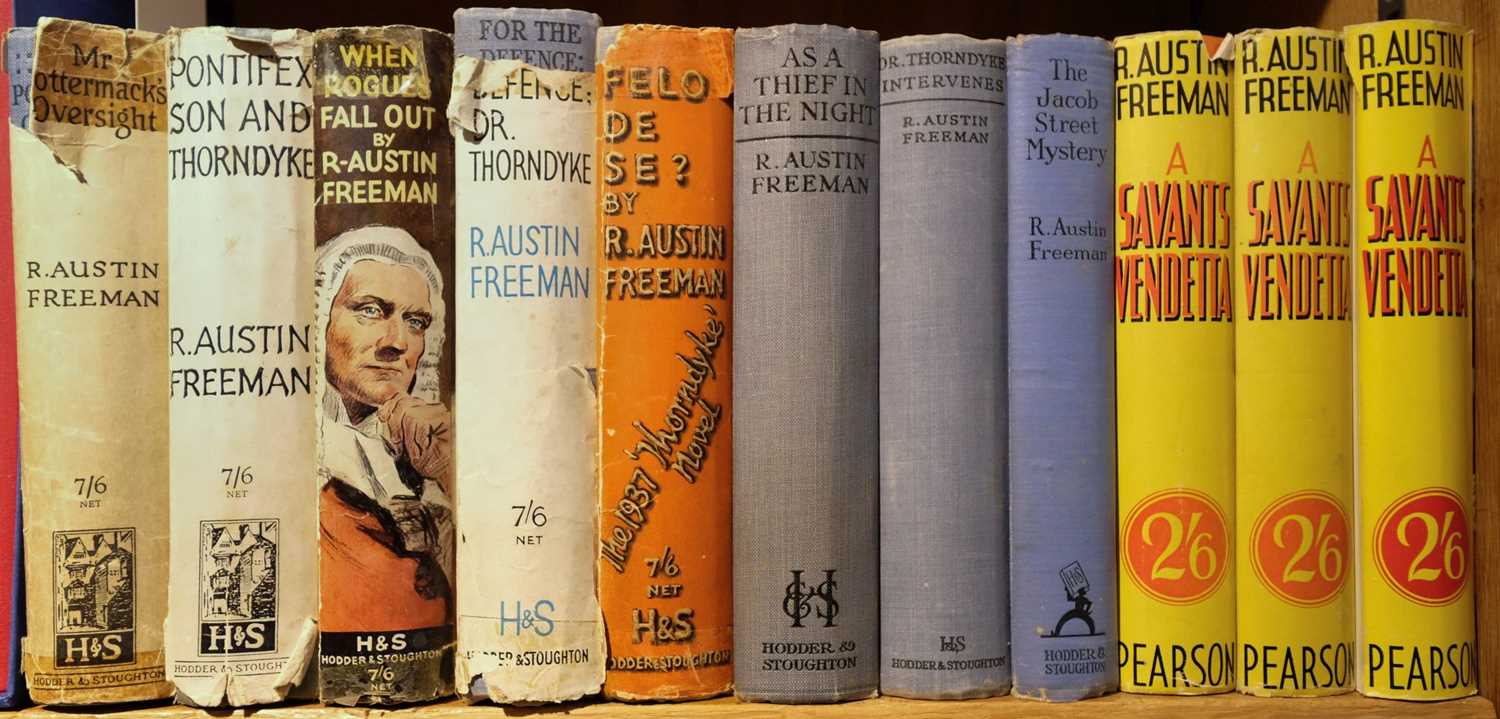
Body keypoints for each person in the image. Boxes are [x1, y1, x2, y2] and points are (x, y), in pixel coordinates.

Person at [314, 225, 454, 632]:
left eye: (416, 322)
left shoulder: (427, 457)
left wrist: (445, 471)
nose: (396, 342)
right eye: (370, 311)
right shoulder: (294, 457)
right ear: (320, 321)